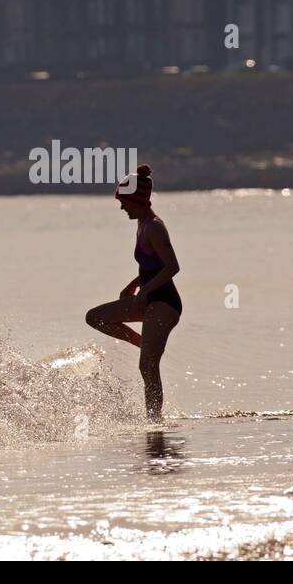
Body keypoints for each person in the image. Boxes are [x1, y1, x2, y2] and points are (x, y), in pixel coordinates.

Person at [85, 164, 181, 421]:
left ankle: (154, 422)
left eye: (123, 202)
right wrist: (134, 284)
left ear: (136, 200)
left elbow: (172, 266)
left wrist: (146, 288)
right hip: (148, 297)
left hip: (164, 303)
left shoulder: (154, 227)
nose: (121, 207)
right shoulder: (141, 224)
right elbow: (152, 265)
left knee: (148, 366)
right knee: (95, 317)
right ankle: (142, 343)